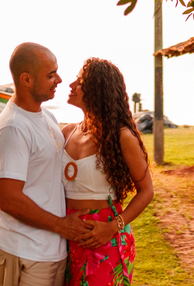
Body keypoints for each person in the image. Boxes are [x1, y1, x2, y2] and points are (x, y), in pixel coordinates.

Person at [0, 43, 92, 286]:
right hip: (24, 251)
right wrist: (62, 226)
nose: (59, 79)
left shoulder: (46, 117)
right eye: (50, 75)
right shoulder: (13, 128)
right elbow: (9, 199)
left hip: (50, 250)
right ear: (26, 79)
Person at [61, 58, 155, 286]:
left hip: (106, 237)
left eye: (80, 81)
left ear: (98, 89)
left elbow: (146, 192)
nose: (71, 84)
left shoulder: (121, 137)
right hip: (66, 237)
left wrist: (113, 227)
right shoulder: (66, 132)